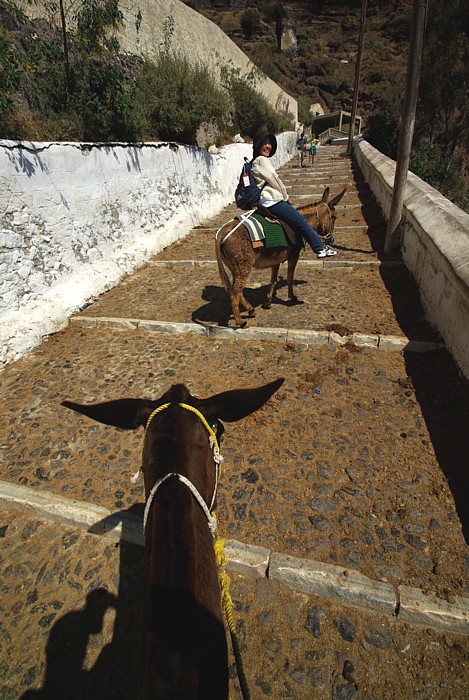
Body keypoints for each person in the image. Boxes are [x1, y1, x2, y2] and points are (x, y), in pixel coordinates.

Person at [250, 132, 337, 258]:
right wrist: (286, 198)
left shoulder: (255, 161)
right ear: (258, 146)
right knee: (300, 220)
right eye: (264, 143)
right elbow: (275, 180)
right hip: (271, 201)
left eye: (269, 143)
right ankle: (320, 248)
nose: (268, 146)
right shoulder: (261, 160)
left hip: (264, 201)